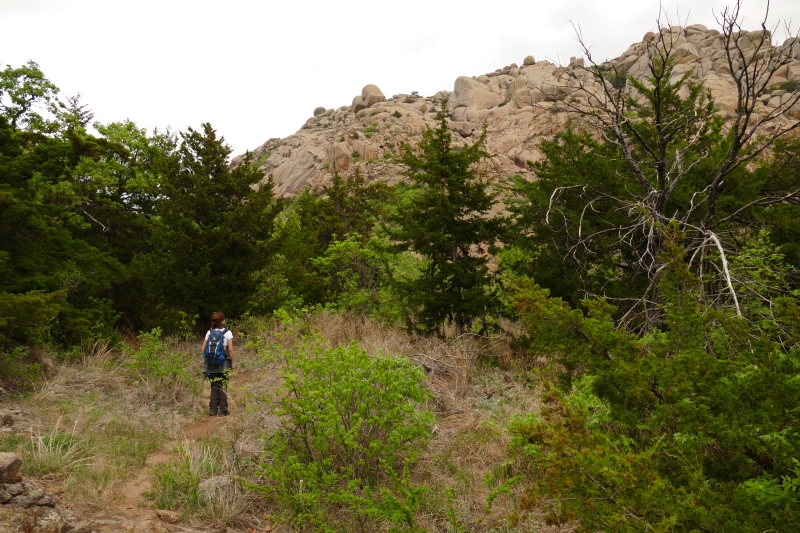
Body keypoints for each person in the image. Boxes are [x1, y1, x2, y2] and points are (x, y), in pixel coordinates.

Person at [201, 311, 234, 417]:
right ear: (222, 321)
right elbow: (230, 349)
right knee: (223, 386)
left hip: (211, 364)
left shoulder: (209, 332)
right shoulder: (227, 332)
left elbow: (203, 348)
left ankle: (213, 410)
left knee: (214, 386)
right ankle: (223, 411)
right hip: (223, 363)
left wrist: (207, 359)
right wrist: (232, 363)